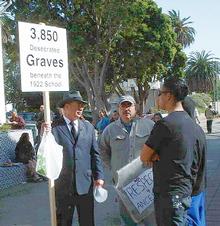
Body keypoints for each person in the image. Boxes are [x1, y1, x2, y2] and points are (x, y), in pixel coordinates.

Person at [140, 77, 199, 226]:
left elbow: (144, 156)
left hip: (169, 195)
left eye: (160, 93)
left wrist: (154, 155)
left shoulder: (164, 125)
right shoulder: (191, 123)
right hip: (185, 190)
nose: (158, 97)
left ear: (169, 95)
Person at [51, 91, 105, 226]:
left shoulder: (88, 127)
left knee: (87, 222)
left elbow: (95, 154)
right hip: (63, 186)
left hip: (85, 185)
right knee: (63, 222)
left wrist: (99, 176)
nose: (81, 108)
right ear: (67, 106)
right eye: (78, 104)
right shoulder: (54, 128)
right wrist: (44, 134)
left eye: (82, 105)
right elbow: (47, 155)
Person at [100, 95, 154, 226]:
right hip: (123, 185)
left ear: (135, 107)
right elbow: (102, 151)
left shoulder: (149, 126)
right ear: (118, 109)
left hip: (146, 184)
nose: (126, 109)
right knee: (128, 220)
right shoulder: (109, 130)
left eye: (129, 105)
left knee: (151, 219)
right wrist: (114, 169)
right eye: (122, 106)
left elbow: (160, 149)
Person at [182, 97, 207, 226]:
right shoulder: (198, 129)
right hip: (200, 186)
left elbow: (190, 164)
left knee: (191, 220)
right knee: (199, 219)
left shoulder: (187, 132)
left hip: (190, 190)